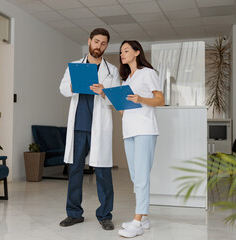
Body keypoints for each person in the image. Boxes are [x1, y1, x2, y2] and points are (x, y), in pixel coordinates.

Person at [59, 28, 120, 230]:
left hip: (99, 127)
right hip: (79, 126)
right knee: (75, 170)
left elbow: (116, 99)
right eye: (96, 41)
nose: (99, 46)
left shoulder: (111, 70)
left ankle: (105, 215)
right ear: (89, 41)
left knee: (103, 172)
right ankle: (74, 214)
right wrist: (74, 86)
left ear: (106, 46)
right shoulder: (75, 66)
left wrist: (104, 92)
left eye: (103, 43)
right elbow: (62, 88)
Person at [117, 40, 165, 238]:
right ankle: (144, 218)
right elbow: (124, 111)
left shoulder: (148, 73)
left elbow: (160, 100)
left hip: (145, 129)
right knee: (136, 176)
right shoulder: (126, 80)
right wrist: (113, 99)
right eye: (121, 52)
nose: (122, 54)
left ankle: (137, 222)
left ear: (137, 52)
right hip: (129, 130)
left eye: (126, 50)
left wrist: (141, 99)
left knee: (142, 176)